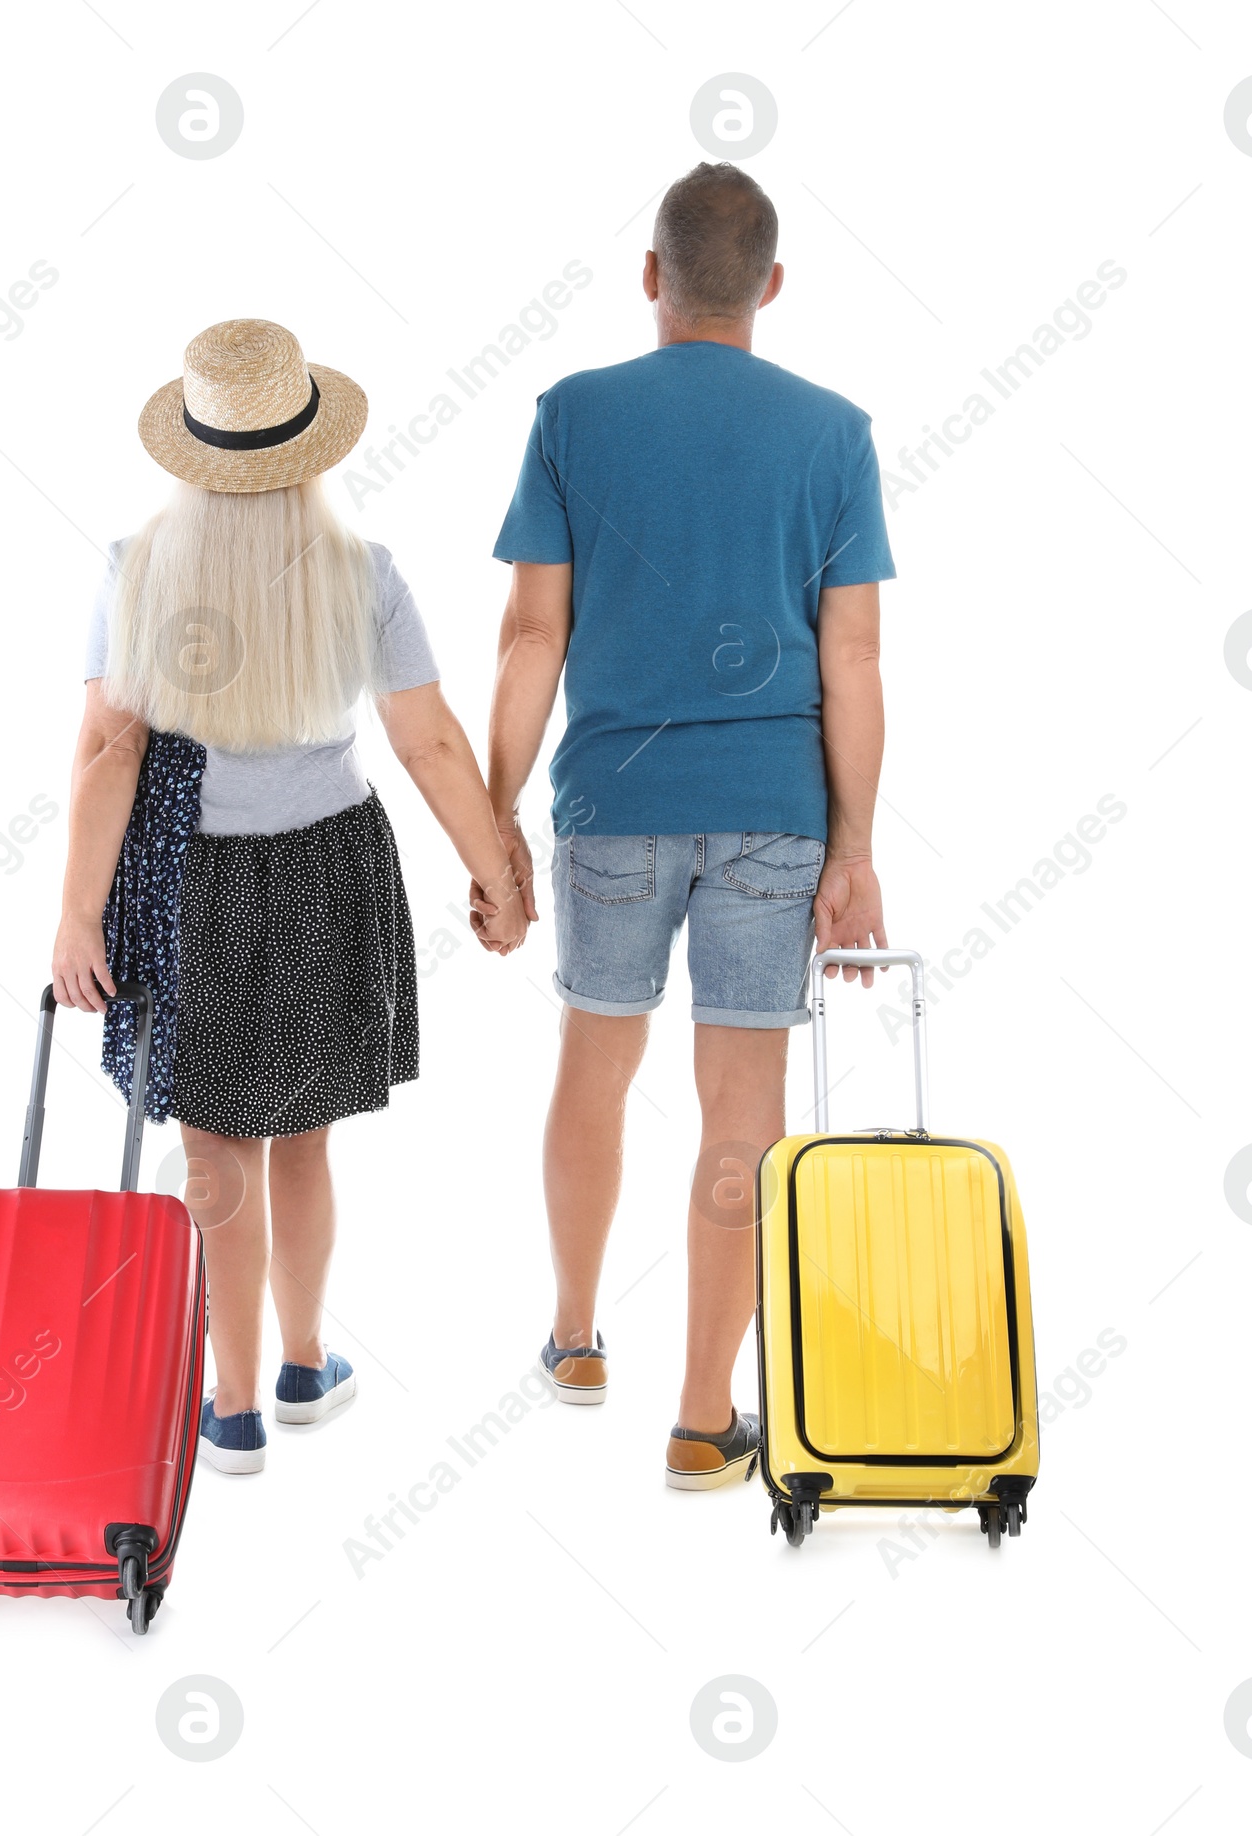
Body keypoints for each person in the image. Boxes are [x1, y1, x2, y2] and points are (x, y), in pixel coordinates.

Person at [479, 162, 895, 1489]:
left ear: (652, 275)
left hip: (613, 803)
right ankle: (705, 1419)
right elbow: (856, 659)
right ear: (769, 286)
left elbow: (533, 630)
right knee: (743, 1107)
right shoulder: (833, 433)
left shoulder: (574, 415)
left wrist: (495, 814)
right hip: (775, 815)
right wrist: (858, 849)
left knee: (593, 1068)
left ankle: (573, 1337)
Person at [53, 318, 526, 1475]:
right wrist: (497, 873)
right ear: (312, 446)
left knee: (216, 1150)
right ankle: (306, 1366)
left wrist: (73, 912)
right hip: (330, 871)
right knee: (306, 1140)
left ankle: (233, 1410)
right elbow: (428, 746)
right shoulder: (363, 572)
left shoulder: (137, 566)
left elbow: (108, 753)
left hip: (191, 882)